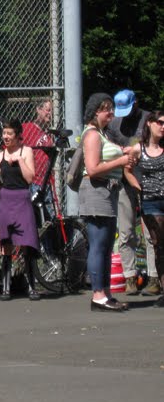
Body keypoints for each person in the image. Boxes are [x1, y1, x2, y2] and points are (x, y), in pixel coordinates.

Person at [79, 93, 136, 312]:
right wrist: (121, 160)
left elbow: (108, 155)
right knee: (99, 245)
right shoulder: (92, 135)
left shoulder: (102, 133)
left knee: (105, 247)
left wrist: (124, 151)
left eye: (111, 108)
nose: (111, 113)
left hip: (107, 192)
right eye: (106, 109)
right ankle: (98, 295)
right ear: (95, 112)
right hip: (96, 191)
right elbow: (92, 169)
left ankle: (106, 293)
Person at [0, 119, 41, 300]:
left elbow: (30, 179)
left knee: (27, 243)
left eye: (9, 133)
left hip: (22, 199)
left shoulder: (26, 151)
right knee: (7, 244)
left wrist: (20, 161)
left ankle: (32, 287)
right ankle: (6, 288)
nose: (6, 136)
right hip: (6, 200)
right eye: (4, 133)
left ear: (18, 135)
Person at [108, 88, 154, 295]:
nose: (124, 115)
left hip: (147, 180)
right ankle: (130, 277)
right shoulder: (115, 122)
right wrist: (121, 151)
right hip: (124, 180)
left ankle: (153, 277)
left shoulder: (148, 119)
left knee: (150, 231)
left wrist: (137, 149)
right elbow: (108, 145)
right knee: (125, 232)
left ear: (135, 103)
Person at [125, 109, 164, 307]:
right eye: (160, 122)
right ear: (149, 123)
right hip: (151, 201)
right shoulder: (139, 149)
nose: (162, 127)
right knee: (159, 244)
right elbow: (128, 169)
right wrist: (138, 187)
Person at [22, 98, 54, 195]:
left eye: (52, 111)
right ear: (38, 110)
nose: (50, 114)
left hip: (46, 180)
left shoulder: (49, 134)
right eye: (48, 110)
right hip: (33, 181)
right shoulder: (26, 128)